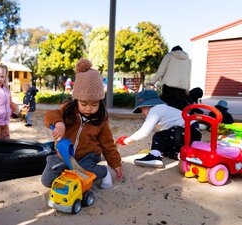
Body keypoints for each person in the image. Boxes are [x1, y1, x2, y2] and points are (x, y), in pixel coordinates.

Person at [42, 58, 123, 189]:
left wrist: (115, 164)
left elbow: (108, 144)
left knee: (83, 174)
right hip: (64, 154)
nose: (89, 108)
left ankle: (104, 171)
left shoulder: (101, 121)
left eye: (94, 104)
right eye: (84, 104)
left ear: (100, 103)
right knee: (47, 181)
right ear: (76, 100)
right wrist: (59, 123)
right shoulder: (68, 110)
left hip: (87, 158)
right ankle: (71, 171)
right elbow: (50, 115)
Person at [117, 90, 202, 168]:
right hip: (190, 134)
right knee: (164, 148)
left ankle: (154, 157)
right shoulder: (163, 109)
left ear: (148, 105)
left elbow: (144, 131)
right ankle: (183, 155)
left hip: (189, 131)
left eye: (142, 109)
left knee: (159, 136)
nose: (142, 113)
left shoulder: (155, 110)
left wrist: (130, 138)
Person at [149, 45, 192, 111]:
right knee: (179, 111)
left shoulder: (169, 56)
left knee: (166, 109)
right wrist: (187, 90)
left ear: (172, 51)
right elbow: (188, 75)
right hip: (182, 89)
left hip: (169, 88)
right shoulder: (188, 60)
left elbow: (161, 71)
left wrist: (152, 82)